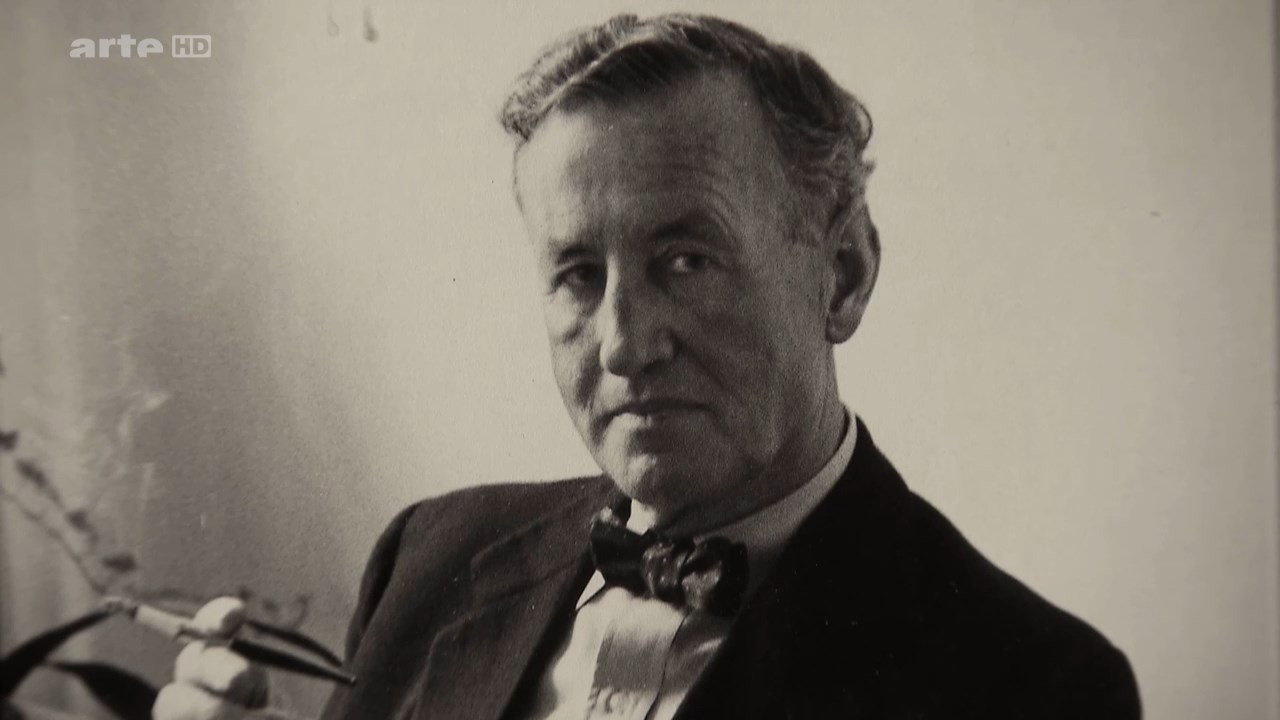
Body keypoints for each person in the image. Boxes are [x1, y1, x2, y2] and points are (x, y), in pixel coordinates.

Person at [153, 12, 1141, 720]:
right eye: (578, 275)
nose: (625, 344)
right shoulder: (430, 556)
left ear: (841, 276)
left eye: (686, 261)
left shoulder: (1033, 685)